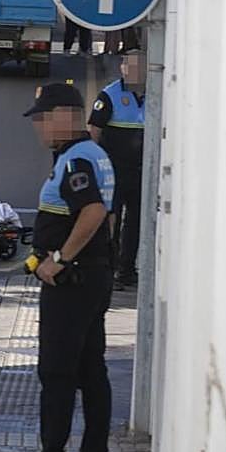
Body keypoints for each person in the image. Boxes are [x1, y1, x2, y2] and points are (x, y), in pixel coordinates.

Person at [0, 83, 116, 452]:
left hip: (73, 282)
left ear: (67, 116)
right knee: (90, 371)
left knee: (57, 372)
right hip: (91, 277)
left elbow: (94, 210)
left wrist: (61, 258)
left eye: (44, 119)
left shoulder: (78, 158)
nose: (39, 128)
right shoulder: (87, 155)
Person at [88, 49, 146, 289]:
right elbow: (94, 131)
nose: (133, 71)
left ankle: (127, 270)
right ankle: (108, 270)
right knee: (110, 221)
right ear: (122, 68)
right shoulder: (110, 95)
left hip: (142, 171)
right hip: (114, 171)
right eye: (129, 66)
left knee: (136, 223)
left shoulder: (157, 94)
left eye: (139, 67)